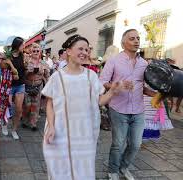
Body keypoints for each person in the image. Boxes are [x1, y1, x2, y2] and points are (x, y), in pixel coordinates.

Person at [42, 35, 122, 180]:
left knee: (83, 171)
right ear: (69, 51)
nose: (84, 52)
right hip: (60, 132)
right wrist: (52, 126)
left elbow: (99, 101)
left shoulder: (91, 76)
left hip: (85, 135)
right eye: (80, 48)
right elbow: (50, 104)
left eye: (87, 49)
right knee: (60, 169)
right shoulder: (57, 77)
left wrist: (112, 92)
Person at [100, 29, 156, 180]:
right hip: (118, 108)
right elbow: (102, 81)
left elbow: (142, 86)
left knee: (136, 144)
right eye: (132, 38)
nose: (136, 41)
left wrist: (154, 94)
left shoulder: (144, 63)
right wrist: (116, 86)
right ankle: (113, 171)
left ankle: (123, 167)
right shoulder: (113, 60)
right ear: (124, 42)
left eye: (138, 38)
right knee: (118, 144)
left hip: (138, 110)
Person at [23, 43, 50, 131]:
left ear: (40, 52)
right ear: (31, 52)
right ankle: (25, 120)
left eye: (37, 51)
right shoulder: (27, 62)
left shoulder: (43, 63)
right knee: (27, 105)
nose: (36, 52)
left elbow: (47, 75)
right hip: (28, 85)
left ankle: (33, 123)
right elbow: (22, 75)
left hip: (38, 86)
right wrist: (28, 72)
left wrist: (48, 86)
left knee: (35, 105)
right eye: (34, 51)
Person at [7, 37, 26, 140]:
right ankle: (4, 124)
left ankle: (14, 130)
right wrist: (12, 74)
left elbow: (24, 69)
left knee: (18, 110)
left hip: (20, 85)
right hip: (9, 85)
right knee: (8, 108)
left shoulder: (23, 56)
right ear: (17, 45)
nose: (24, 47)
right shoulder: (8, 56)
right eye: (23, 45)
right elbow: (3, 69)